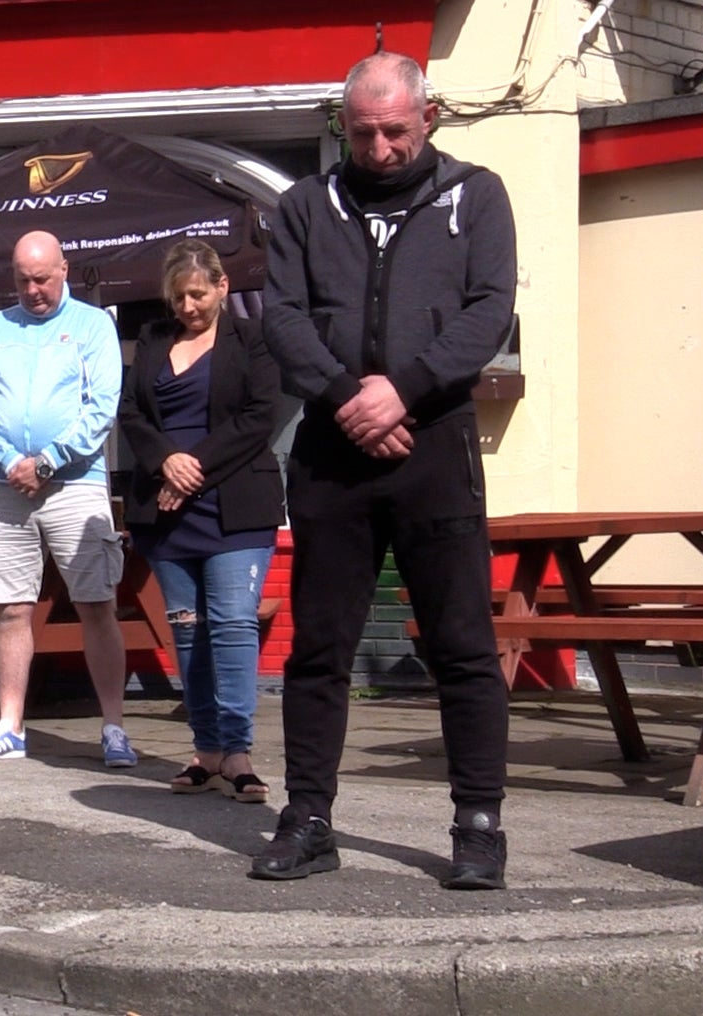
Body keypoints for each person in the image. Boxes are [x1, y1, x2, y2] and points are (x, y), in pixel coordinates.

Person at [255, 53, 516, 889]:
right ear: (344, 126)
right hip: (333, 454)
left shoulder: (476, 196)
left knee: (463, 647)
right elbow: (283, 319)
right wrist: (347, 400)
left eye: (396, 130)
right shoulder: (303, 206)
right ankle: (308, 818)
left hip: (434, 448)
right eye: (363, 132)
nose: (381, 147)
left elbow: (488, 313)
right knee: (319, 650)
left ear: (428, 117)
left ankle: (478, 827)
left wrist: (401, 392)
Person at [0, 229, 134, 766]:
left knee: (97, 605)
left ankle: (114, 727)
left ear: (64, 270)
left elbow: (102, 405)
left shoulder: (93, 325)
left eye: (42, 279)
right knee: (11, 608)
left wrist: (50, 460)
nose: (33, 290)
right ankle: (9, 726)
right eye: (22, 280)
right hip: (8, 487)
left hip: (76, 483)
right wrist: (11, 462)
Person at [118, 239, 284, 803]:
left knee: (234, 623)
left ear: (222, 287)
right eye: (178, 296)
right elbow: (132, 413)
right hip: (165, 512)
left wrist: (193, 468)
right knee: (187, 629)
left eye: (197, 293)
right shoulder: (153, 339)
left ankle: (238, 752)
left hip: (234, 506)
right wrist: (165, 458)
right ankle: (207, 750)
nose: (188, 306)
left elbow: (260, 416)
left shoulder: (253, 339)